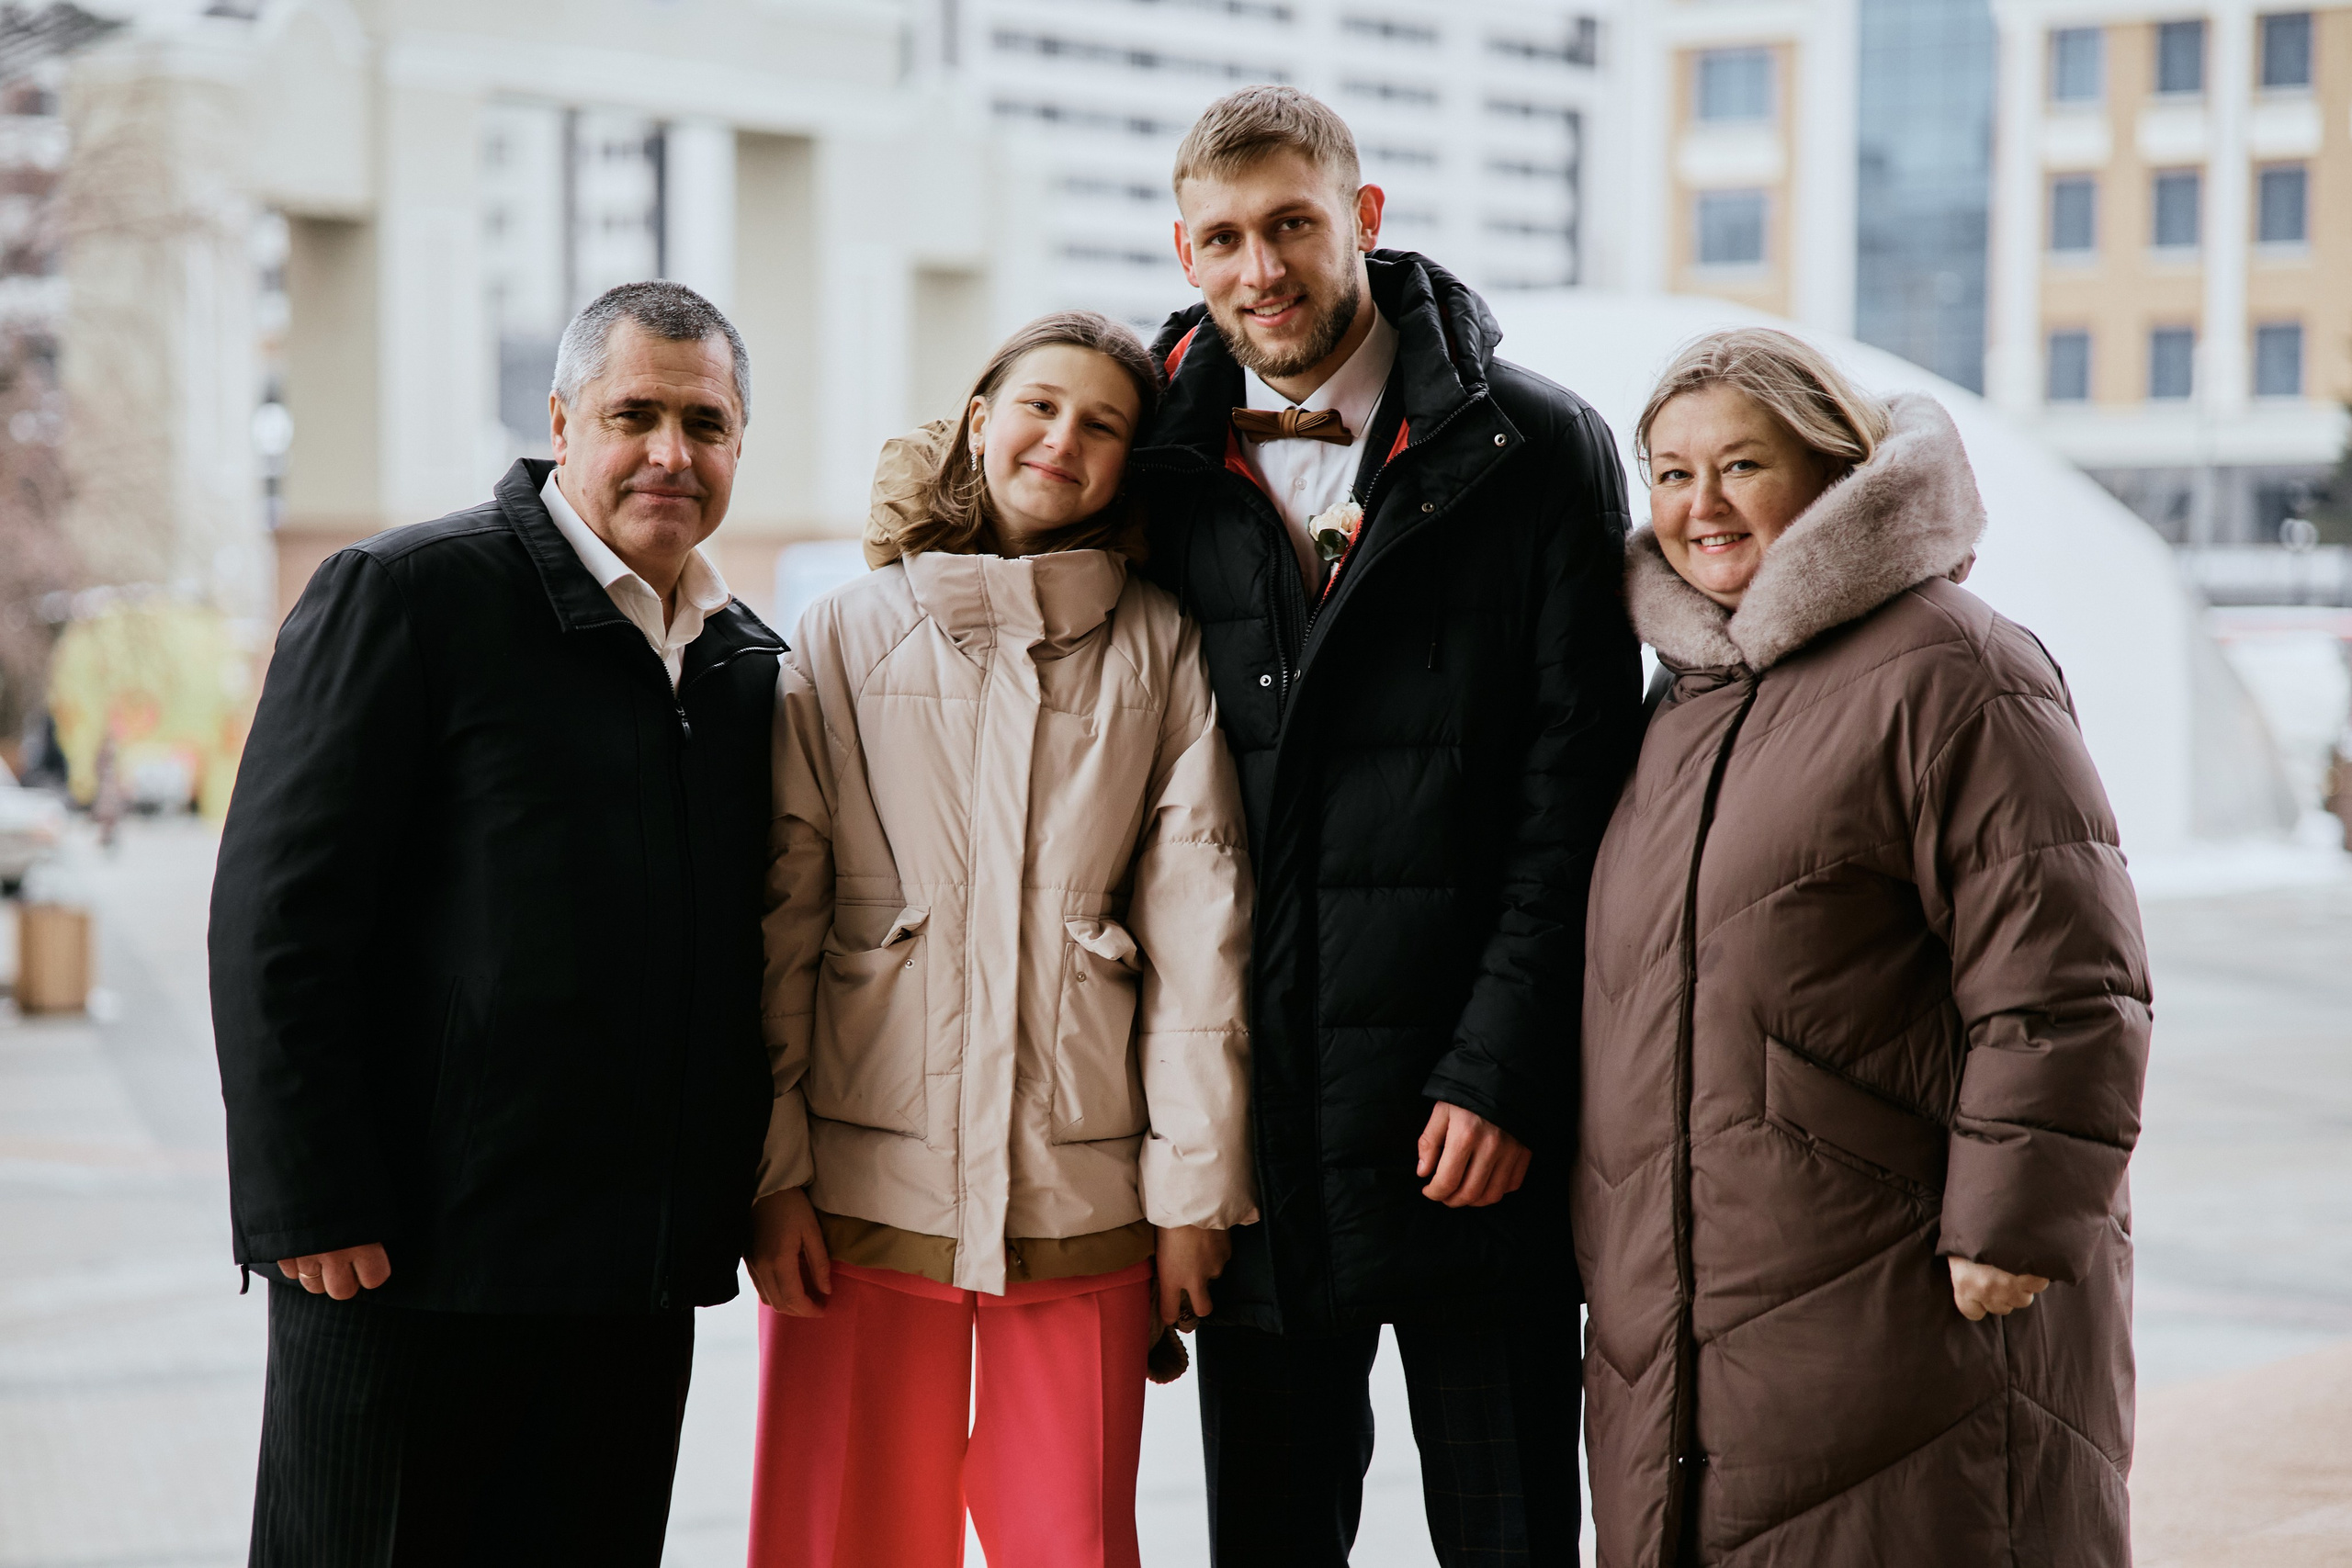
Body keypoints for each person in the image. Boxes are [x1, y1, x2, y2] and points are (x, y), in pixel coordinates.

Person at [1128, 86, 1644, 1565]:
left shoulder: (1538, 448)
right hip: (1259, 1150)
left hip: (1470, 1137)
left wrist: (1502, 1072)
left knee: (1510, 1534)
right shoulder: (1150, 465)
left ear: (1360, 219)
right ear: (1184, 249)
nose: (1260, 269)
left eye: (1291, 223)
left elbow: (1577, 792)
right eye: (1222, 237)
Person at [209, 281, 781, 1567]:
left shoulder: (748, 665)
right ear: (562, 420)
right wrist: (305, 1198)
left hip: (629, 1292)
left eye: (707, 423)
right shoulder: (407, 595)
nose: (670, 455)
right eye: (635, 414)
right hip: (405, 1265)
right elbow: (277, 915)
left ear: (743, 443)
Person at [1575, 329, 2150, 1567]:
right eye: (1671, 474)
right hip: (1703, 1303)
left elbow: (2064, 975)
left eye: (1740, 464)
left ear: (1836, 469)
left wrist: (2012, 1220)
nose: (1701, 505)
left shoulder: (1955, 666)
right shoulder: (1686, 700)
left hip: (1900, 1292)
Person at [743, 310, 1256, 1568]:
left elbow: (1200, 932)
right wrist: (772, 1174)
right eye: (1039, 406)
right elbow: (783, 917)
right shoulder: (846, 632)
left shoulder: (1158, 643)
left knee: (1070, 1539)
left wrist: (1192, 1192)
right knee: (837, 1538)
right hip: (862, 1186)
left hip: (1081, 1184)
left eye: (1102, 426)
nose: (1061, 441)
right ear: (981, 419)